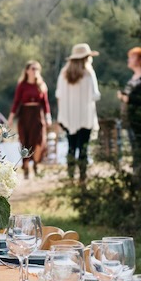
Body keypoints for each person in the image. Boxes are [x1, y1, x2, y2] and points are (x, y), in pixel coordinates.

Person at [55, 43, 101, 182]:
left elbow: (59, 95)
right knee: (83, 148)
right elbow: (95, 95)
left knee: (71, 146)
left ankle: (70, 176)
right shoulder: (88, 73)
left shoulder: (64, 74)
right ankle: (82, 177)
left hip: (68, 117)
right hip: (85, 116)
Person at [7, 60, 51, 178]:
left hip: (38, 116)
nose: (35, 71)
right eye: (33, 68)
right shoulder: (22, 85)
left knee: (39, 141)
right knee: (25, 141)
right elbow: (16, 102)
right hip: (25, 115)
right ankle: (26, 167)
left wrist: (48, 117)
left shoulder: (41, 85)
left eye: (37, 69)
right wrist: (11, 117)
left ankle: (36, 164)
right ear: (27, 71)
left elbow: (45, 102)